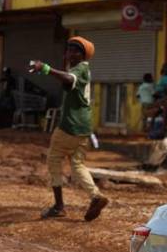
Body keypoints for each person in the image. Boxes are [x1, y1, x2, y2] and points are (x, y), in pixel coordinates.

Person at [31, 36, 109, 221]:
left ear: (83, 56)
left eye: (76, 51)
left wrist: (46, 68)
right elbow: (67, 80)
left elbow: (68, 78)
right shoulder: (81, 70)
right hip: (84, 126)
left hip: (70, 125)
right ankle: (96, 196)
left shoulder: (80, 69)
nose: (70, 54)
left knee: (53, 159)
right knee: (77, 164)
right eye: (69, 50)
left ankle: (59, 206)